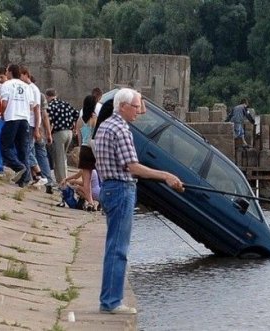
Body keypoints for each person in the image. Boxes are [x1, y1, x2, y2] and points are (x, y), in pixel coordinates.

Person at [94, 88, 184, 314]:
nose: (139, 112)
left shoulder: (105, 125)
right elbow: (132, 167)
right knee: (119, 249)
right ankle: (112, 302)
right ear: (123, 106)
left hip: (108, 189)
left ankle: (108, 298)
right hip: (121, 189)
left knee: (113, 246)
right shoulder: (121, 129)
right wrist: (166, 175)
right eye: (136, 107)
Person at [0, 64, 36, 187]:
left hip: (12, 117)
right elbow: (31, 106)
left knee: (5, 146)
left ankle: (18, 166)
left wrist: (2, 114)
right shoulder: (27, 87)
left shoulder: (7, 85)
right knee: (23, 149)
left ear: (9, 72)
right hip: (24, 119)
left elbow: (4, 103)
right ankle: (24, 179)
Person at [45, 88, 79, 184]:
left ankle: (62, 182)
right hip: (69, 132)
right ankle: (64, 179)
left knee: (58, 158)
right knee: (63, 157)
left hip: (59, 133)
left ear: (47, 96)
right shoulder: (66, 104)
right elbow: (76, 115)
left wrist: (48, 134)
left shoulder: (51, 106)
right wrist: (75, 128)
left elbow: (49, 121)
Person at [75, 95, 97, 210]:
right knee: (98, 177)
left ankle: (90, 202)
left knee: (86, 180)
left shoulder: (80, 120)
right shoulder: (94, 118)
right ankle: (95, 202)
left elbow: (79, 138)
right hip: (92, 149)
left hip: (83, 149)